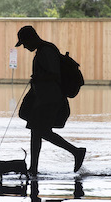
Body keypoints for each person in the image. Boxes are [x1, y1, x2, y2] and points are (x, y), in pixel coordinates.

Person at [15, 25, 86, 175]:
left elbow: (55, 74)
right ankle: (33, 168)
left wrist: (38, 77)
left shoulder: (46, 51)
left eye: (25, 43)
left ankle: (76, 151)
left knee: (41, 131)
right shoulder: (44, 50)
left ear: (31, 38)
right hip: (43, 98)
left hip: (50, 99)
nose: (25, 47)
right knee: (36, 131)